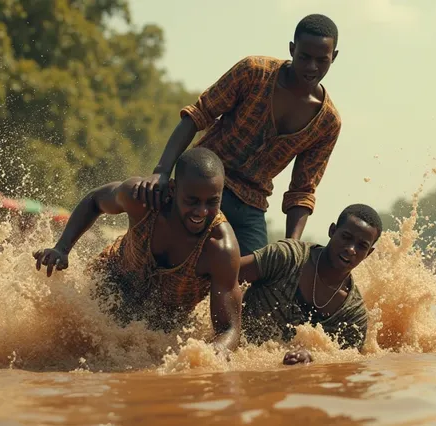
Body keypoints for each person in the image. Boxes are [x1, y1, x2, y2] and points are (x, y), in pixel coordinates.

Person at [133, 14, 342, 255]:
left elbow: (302, 191)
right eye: (304, 57)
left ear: (334, 57)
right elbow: (198, 115)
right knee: (157, 251)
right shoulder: (254, 72)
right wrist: (161, 172)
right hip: (202, 184)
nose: (311, 67)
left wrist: (291, 246)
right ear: (292, 49)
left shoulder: (328, 123)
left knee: (255, 283)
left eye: (321, 60)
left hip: (250, 206)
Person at [33, 148, 243, 354]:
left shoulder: (220, 248)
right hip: (109, 285)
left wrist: (210, 355)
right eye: (192, 200)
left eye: (212, 202)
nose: (202, 212)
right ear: (172, 189)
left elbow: (228, 329)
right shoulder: (143, 199)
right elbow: (95, 199)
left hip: (162, 323)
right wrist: (62, 248)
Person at [238, 204, 381, 365]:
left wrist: (313, 357)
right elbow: (226, 276)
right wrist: (226, 335)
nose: (350, 249)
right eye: (346, 237)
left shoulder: (353, 314)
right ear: (332, 231)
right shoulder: (287, 257)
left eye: (362, 246)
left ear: (368, 253)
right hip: (241, 362)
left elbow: (345, 365)